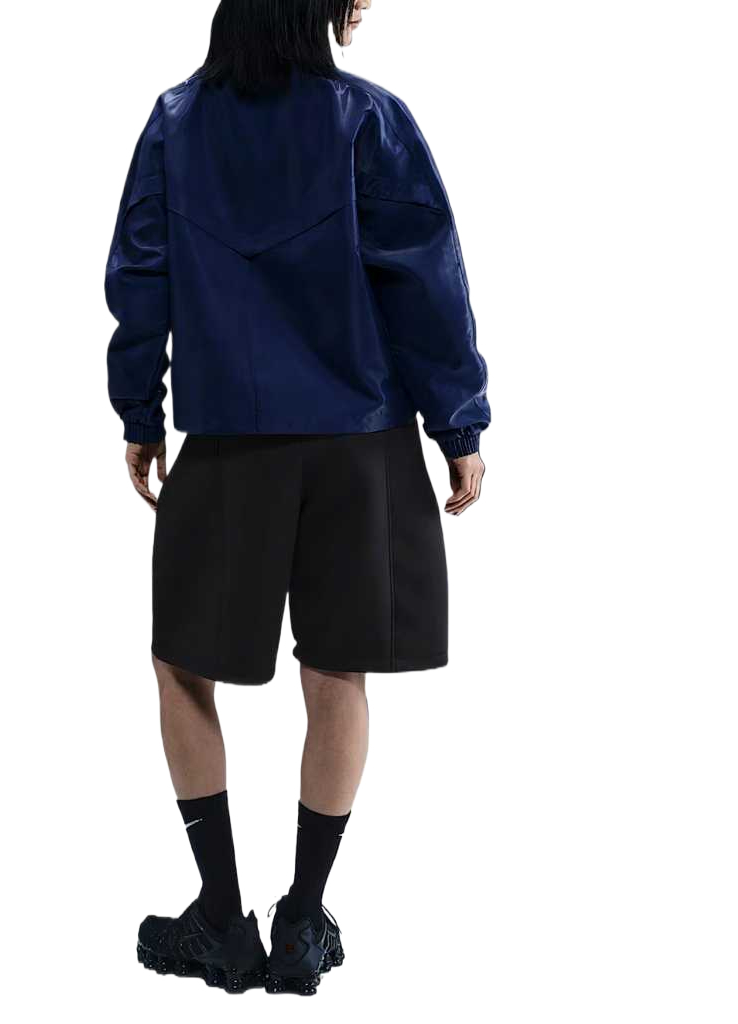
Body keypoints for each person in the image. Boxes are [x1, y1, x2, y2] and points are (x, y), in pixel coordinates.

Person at [106, 0, 489, 997]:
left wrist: (140, 411)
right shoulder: (370, 119)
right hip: (360, 444)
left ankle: (221, 916)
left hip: (229, 441)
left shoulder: (177, 122)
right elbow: (425, 281)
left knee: (182, 666)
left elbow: (142, 273)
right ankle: (303, 918)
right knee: (337, 669)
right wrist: (458, 426)